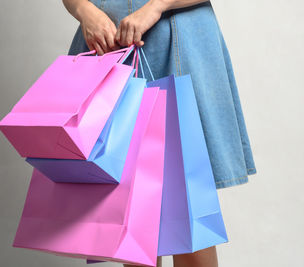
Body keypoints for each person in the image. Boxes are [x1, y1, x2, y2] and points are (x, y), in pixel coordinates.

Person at [62, 0, 257, 266]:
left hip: (178, 39)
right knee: (130, 216)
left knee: (188, 212)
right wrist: (86, 11)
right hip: (107, 45)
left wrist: (156, 6)